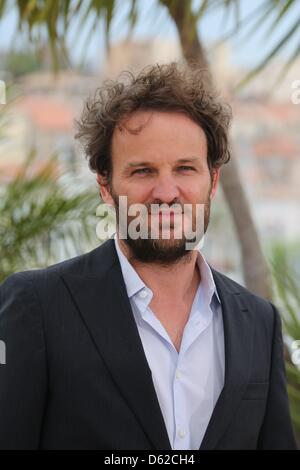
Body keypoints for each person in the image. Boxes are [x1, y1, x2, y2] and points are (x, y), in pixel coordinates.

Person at [0, 63, 296, 450]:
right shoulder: (36, 307)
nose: (167, 192)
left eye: (185, 169)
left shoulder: (260, 323)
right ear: (105, 186)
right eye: (143, 171)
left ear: (213, 180)